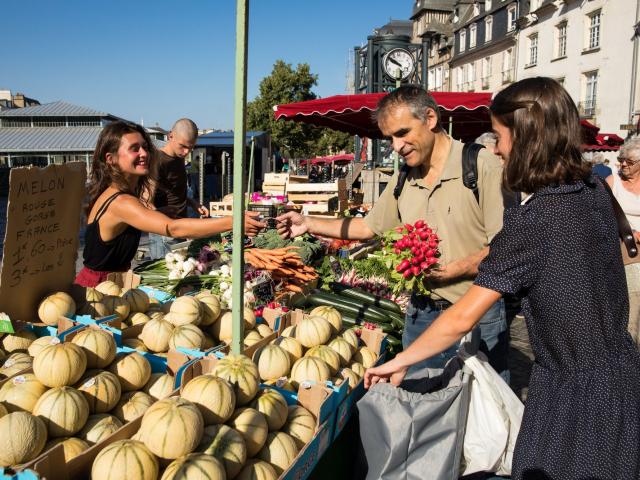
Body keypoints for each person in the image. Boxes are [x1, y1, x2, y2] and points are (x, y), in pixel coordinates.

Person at [365, 77, 640, 480]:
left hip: (573, 397)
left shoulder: (537, 221)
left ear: (527, 137)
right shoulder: (593, 188)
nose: (497, 148)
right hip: (620, 377)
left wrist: (401, 360)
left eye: (499, 135)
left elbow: (462, 317)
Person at [277, 85, 509, 379]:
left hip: (477, 314)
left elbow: (505, 248)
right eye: (390, 139)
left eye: (402, 133)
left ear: (430, 118)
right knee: (418, 406)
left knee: (480, 413)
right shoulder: (405, 178)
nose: (396, 146)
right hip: (421, 315)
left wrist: (452, 271)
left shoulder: (480, 165)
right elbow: (367, 226)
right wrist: (308, 222)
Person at [75, 121, 264, 287]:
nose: (144, 153)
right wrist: (234, 221)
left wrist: (165, 210)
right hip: (97, 289)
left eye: (145, 147)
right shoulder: (121, 201)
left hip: (114, 283)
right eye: (134, 148)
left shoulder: (121, 193)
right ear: (111, 159)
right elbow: (172, 228)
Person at [148, 118, 209, 259]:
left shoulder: (178, 159)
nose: (186, 152)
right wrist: (163, 220)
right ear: (170, 136)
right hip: (164, 232)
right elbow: (146, 202)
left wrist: (193, 203)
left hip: (179, 227)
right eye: (183, 146)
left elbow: (174, 191)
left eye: (191, 148)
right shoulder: (157, 161)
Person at [606, 136, 640, 345]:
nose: (623, 165)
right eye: (621, 159)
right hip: (626, 251)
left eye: (630, 162)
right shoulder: (613, 182)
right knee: (633, 305)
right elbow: (601, 217)